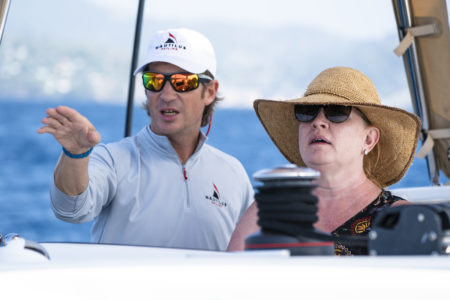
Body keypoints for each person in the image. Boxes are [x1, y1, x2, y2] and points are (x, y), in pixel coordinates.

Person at [38, 28, 254, 251]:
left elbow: (252, 253)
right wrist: (75, 155)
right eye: (154, 81)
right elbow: (70, 209)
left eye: (181, 82)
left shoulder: (233, 173)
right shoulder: (113, 159)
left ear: (210, 92)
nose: (166, 95)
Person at [227, 66, 420, 255]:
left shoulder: (402, 219)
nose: (317, 122)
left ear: (368, 139)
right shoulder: (267, 211)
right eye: (307, 111)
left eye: (337, 112)